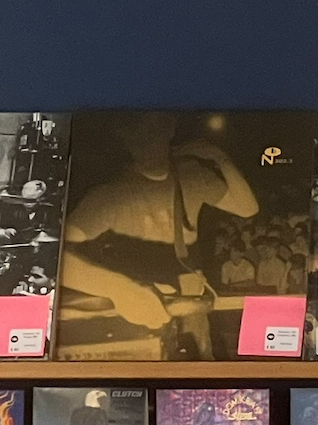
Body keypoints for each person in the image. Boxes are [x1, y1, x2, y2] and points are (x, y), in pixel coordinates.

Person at [60, 114, 259, 358]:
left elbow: (248, 208)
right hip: (140, 307)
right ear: (126, 140)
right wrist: (118, 288)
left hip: (189, 300)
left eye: (152, 130)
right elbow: (55, 256)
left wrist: (220, 159)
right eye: (135, 134)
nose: (144, 141)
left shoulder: (191, 176)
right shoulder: (109, 194)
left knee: (199, 367)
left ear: (169, 129)